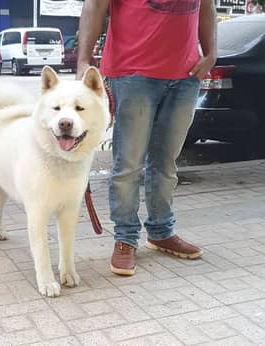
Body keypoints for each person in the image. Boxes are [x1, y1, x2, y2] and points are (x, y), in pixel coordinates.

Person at [76, 0, 217, 276]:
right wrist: (83, 60)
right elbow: (94, 6)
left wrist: (211, 53)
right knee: (128, 164)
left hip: (186, 75)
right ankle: (126, 238)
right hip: (133, 74)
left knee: (166, 163)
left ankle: (161, 231)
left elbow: (207, 7)